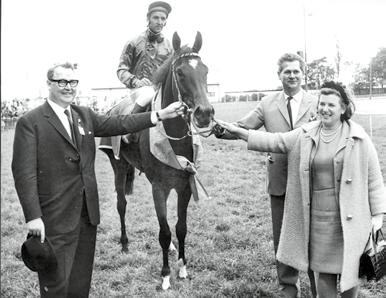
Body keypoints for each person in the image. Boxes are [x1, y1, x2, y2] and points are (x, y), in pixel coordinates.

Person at [11, 62, 185, 297]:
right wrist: (33, 216)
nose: (68, 87)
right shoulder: (30, 122)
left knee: (80, 282)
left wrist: (159, 115)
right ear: (49, 84)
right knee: (56, 284)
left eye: (73, 82)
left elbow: (120, 123)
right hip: (54, 219)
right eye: (61, 82)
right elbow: (24, 172)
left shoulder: (84, 115)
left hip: (87, 215)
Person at [217, 81, 386, 297]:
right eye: (321, 104)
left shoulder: (359, 137)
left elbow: (374, 178)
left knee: (349, 272)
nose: (324, 109)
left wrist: (378, 214)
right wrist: (240, 132)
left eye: (331, 105)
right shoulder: (306, 133)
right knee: (324, 273)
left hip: (350, 221)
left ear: (343, 108)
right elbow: (275, 141)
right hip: (318, 221)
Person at [216, 53, 318, 297]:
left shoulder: (317, 102)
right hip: (280, 182)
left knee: (316, 240)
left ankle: (319, 290)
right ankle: (287, 288)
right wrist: (217, 129)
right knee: (283, 240)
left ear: (303, 73)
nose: (292, 75)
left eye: (296, 71)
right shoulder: (267, 103)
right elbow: (243, 128)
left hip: (313, 182)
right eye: (287, 72)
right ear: (279, 75)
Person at [117, 1, 173, 115]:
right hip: (138, 90)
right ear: (148, 19)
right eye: (156, 18)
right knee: (149, 94)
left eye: (163, 19)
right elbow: (121, 70)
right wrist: (136, 81)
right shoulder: (133, 42)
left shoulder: (169, 46)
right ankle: (130, 127)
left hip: (160, 90)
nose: (159, 22)